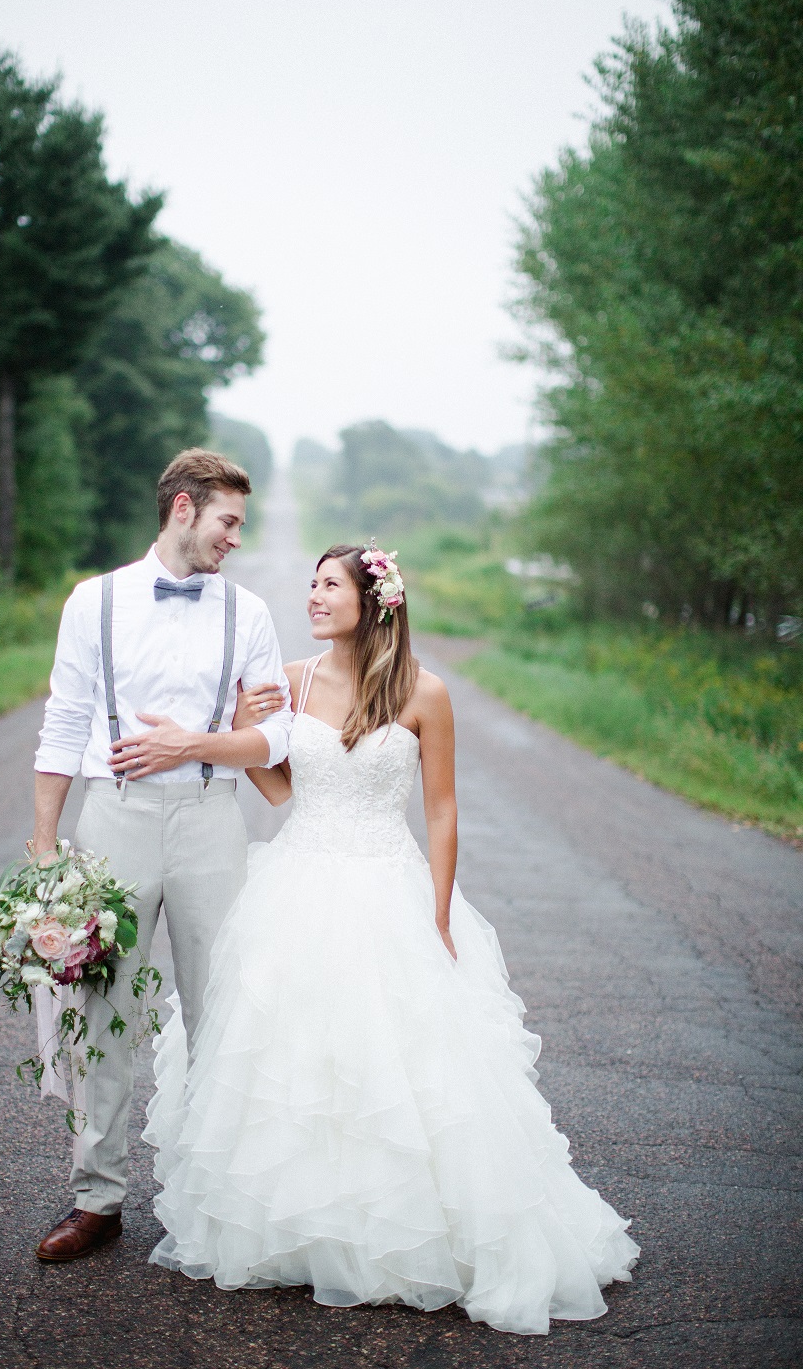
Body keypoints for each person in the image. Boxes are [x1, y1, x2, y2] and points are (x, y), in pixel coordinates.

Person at [143, 541, 639, 1334]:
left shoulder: (424, 692)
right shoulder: (292, 683)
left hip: (387, 884)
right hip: (298, 881)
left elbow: (441, 810)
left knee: (403, 1067)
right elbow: (277, 791)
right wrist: (242, 725)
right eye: (310, 584)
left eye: (328, 585)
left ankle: (402, 1235)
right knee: (292, 1062)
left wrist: (439, 914)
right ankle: (300, 1228)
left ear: (374, 601)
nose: (312, 596)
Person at [30, 449, 293, 1264]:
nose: (234, 539)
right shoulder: (93, 601)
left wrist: (195, 744)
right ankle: (97, 1200)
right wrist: (45, 842)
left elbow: (275, 734)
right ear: (183, 508)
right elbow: (64, 719)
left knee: (221, 1008)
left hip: (215, 819)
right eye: (227, 521)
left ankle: (213, 1197)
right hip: (115, 821)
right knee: (103, 1012)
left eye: (240, 526)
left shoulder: (246, 612)